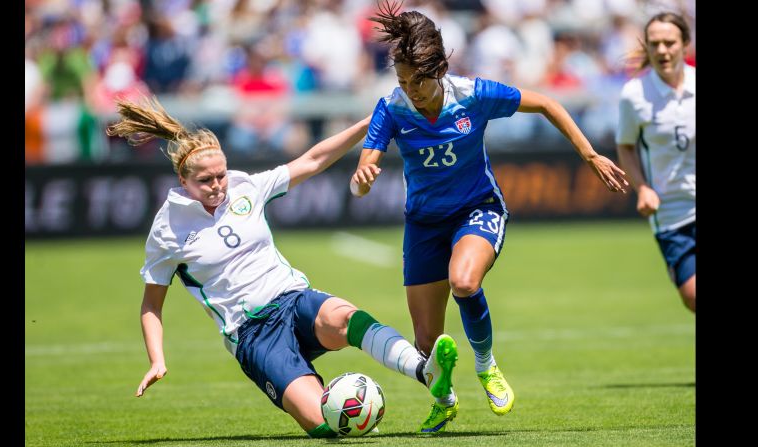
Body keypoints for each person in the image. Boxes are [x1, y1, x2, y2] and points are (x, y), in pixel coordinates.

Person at [105, 95, 460, 437]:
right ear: (182, 181)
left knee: (348, 318)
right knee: (323, 424)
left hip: (291, 298)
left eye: (221, 175)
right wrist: (156, 359)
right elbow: (151, 304)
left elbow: (312, 160)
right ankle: (339, 413)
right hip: (252, 334)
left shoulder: (244, 187)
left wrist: (371, 123)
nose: (217, 186)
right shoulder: (167, 228)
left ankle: (425, 371)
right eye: (205, 180)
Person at [349, 1, 629, 431]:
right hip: (424, 224)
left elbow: (547, 104)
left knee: (464, 281)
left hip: (477, 209)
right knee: (426, 345)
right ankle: (444, 399)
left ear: (439, 69)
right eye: (402, 81)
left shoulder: (474, 95)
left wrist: (589, 154)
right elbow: (365, 166)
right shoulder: (392, 107)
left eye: (418, 81)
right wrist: (364, 178)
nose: (411, 90)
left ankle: (486, 365)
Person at [616, 12, 695, 313]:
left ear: (685, 44)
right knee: (692, 296)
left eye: (669, 42)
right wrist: (643, 188)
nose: (662, 50)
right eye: (655, 43)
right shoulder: (634, 95)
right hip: (671, 212)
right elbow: (626, 146)